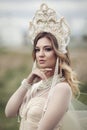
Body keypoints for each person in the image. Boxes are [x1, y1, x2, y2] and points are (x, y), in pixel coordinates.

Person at [5, 3, 87, 130]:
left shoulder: (62, 89)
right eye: (37, 50)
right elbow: (9, 112)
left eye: (47, 49)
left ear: (58, 53)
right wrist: (28, 81)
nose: (40, 54)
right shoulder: (33, 86)